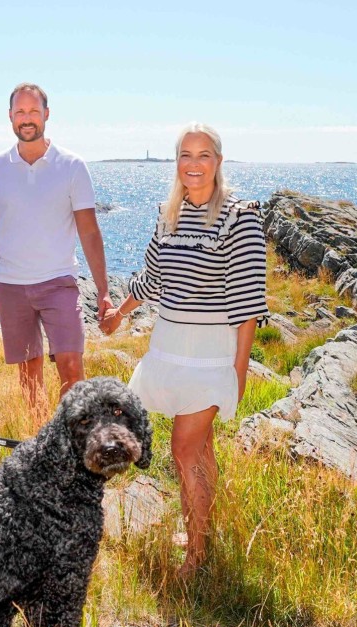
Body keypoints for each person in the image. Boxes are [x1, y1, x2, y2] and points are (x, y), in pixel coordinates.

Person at [100, 123, 268, 577]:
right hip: (168, 347)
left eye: (204, 155)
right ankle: (203, 532)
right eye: (185, 156)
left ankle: (195, 558)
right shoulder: (168, 212)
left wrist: (239, 370)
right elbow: (153, 276)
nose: (194, 165)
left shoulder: (240, 216)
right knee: (201, 448)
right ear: (176, 162)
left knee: (183, 448)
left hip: (212, 352)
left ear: (218, 161)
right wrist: (120, 311)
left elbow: (249, 303)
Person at [0, 83, 112, 414]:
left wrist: (104, 290)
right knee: (29, 376)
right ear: (10, 117)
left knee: (71, 367)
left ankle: (75, 445)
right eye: (20, 112)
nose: (27, 119)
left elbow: (89, 231)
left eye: (34, 112)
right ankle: (41, 448)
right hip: (10, 286)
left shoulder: (71, 165)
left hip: (59, 282)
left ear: (46, 115)